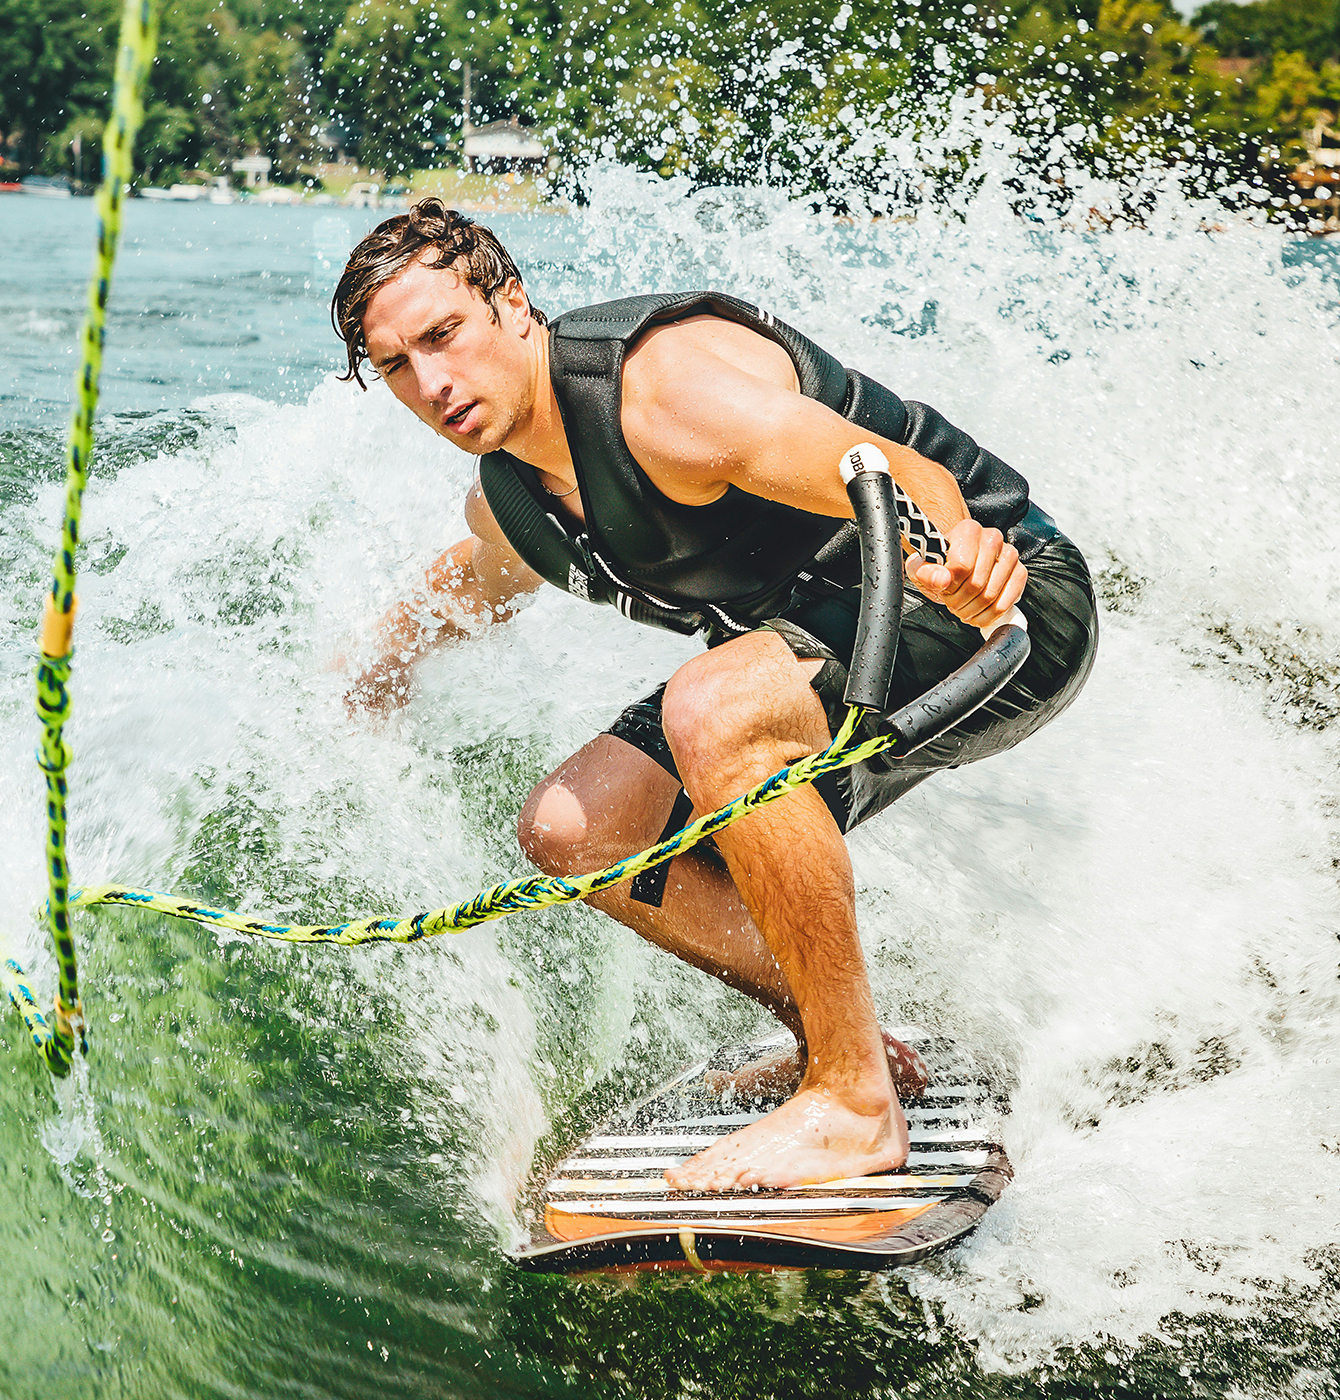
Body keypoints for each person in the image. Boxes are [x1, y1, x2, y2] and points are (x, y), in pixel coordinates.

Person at [331, 199, 1097, 1193]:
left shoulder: (663, 394)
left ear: (511, 304)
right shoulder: (513, 493)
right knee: (575, 827)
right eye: (396, 364)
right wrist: (371, 676)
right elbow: (474, 576)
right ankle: (840, 1033)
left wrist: (952, 554)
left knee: (710, 707)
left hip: (1006, 607)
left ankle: (852, 1101)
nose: (431, 381)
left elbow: (891, 473)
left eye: (443, 334)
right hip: (827, 645)